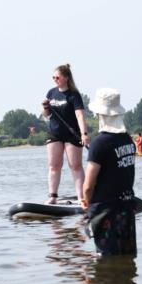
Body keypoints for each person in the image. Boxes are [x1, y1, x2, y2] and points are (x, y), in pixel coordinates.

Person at [81, 89, 137, 257]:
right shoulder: (128, 140)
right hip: (127, 209)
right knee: (127, 258)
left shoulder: (99, 143)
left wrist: (86, 202)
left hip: (105, 213)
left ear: (100, 114)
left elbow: (88, 185)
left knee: (107, 260)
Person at [41, 64, 89, 204]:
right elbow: (46, 115)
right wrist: (45, 106)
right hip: (55, 133)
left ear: (66, 78)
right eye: (53, 77)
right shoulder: (51, 93)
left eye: (57, 77)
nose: (55, 80)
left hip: (71, 134)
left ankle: (81, 198)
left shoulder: (74, 95)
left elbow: (80, 115)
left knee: (75, 166)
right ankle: (52, 196)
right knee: (54, 166)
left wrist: (84, 134)